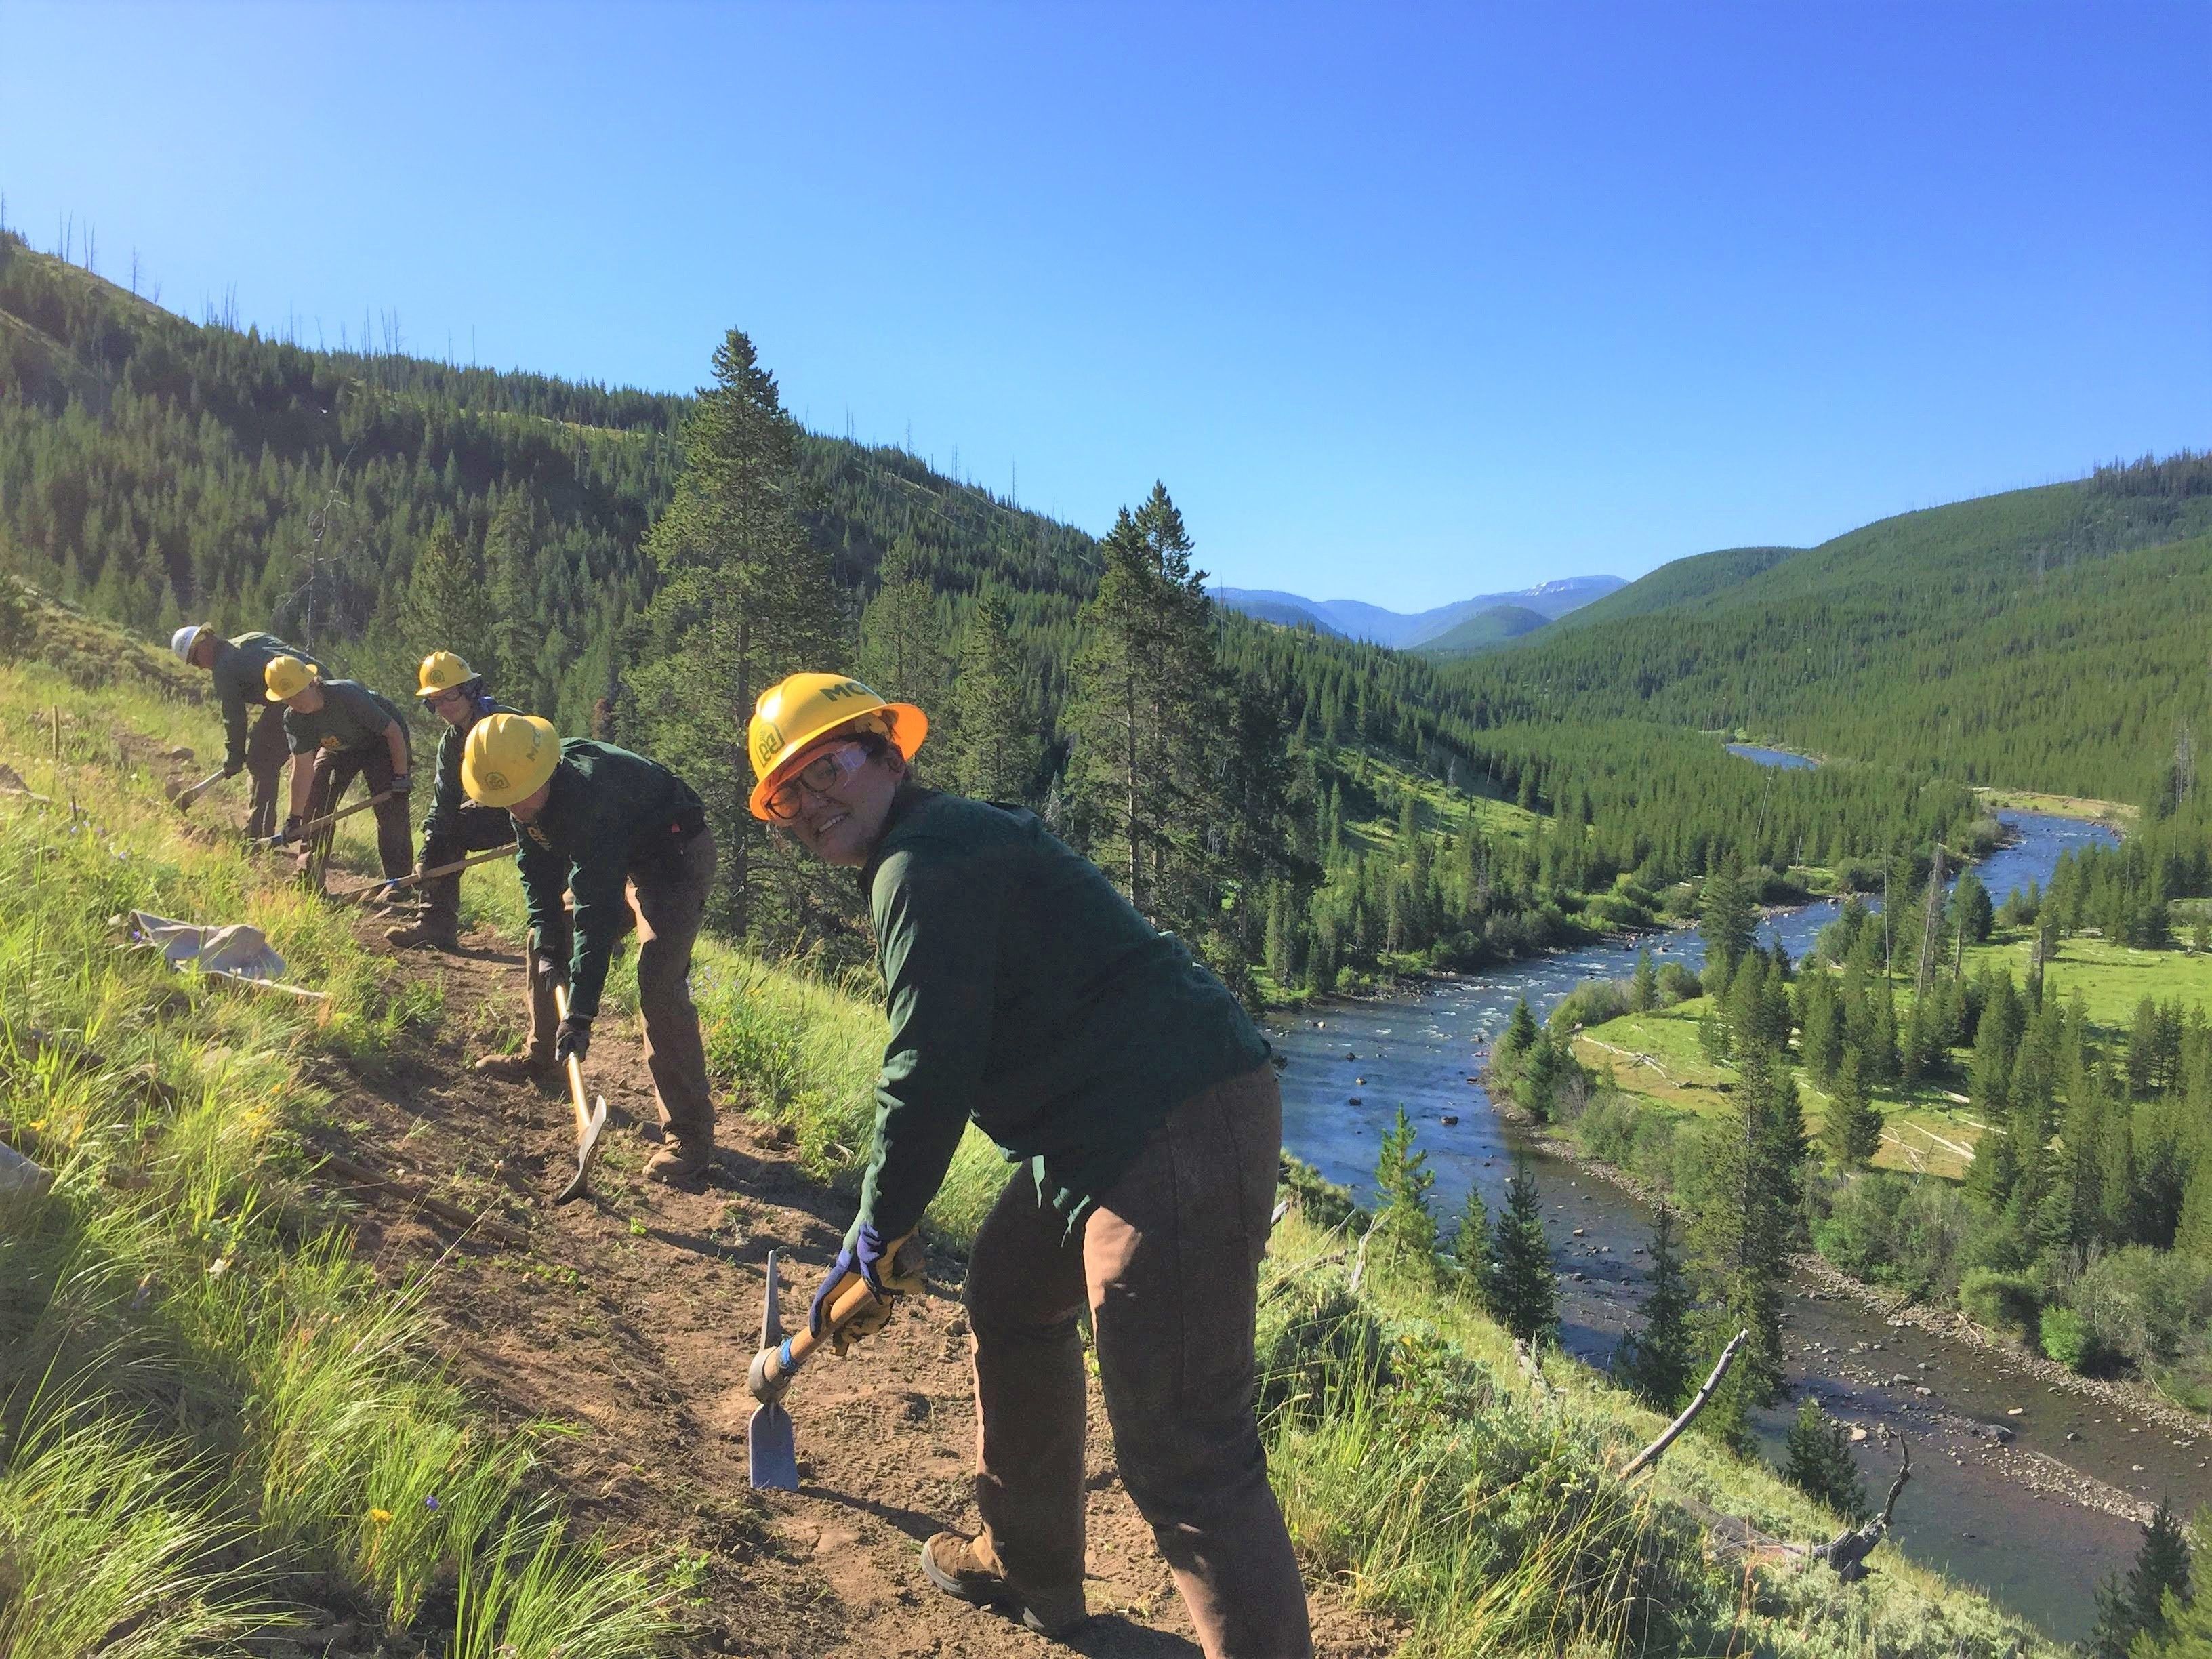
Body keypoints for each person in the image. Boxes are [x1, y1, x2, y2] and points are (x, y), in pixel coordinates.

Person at [749, 672, 1311, 1658]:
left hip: (1172, 1121)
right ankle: (1027, 1565)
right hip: (1095, 1131)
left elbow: (928, 1067)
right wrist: (888, 1225)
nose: (812, 802)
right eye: (787, 792)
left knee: (1190, 1454)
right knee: (1010, 1295)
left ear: (888, 757)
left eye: (830, 765)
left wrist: (880, 1229)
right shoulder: (929, 848)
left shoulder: (919, 863)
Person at [459, 712, 719, 1185]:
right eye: (505, 802)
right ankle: (544, 1058)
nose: (515, 809)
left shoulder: (589, 798)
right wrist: (547, 944)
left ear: (544, 774)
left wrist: (580, 1015)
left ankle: (690, 1134)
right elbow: (536, 869)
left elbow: (596, 916)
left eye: (521, 798)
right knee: (547, 933)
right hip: (619, 850)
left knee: (658, 981)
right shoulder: (527, 791)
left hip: (673, 859)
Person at [384, 651, 519, 951]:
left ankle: (587, 936)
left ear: (470, 691)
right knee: (448, 831)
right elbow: (444, 801)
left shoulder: (507, 723)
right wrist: (429, 854)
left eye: (451, 697)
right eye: (436, 701)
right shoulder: (450, 742)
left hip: (542, 808)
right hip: (498, 812)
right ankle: (435, 925)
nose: (444, 707)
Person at [264, 655, 414, 884]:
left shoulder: (347, 694)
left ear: (312, 682)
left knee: (391, 807)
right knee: (316, 800)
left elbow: (393, 732)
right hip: (340, 747)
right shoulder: (293, 719)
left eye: (298, 693)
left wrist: (402, 776)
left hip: (381, 743)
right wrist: (294, 817)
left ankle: (399, 883)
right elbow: (303, 769)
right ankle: (310, 872)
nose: (296, 703)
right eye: (288, 699)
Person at [169, 624, 326, 839]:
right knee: (312, 765)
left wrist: (234, 756)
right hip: (322, 687)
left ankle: (258, 832)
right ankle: (311, 836)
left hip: (295, 698)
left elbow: (234, 718)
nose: (198, 667)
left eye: (195, 660)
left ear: (203, 643)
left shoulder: (224, 668)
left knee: (261, 761)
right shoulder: (251, 638)